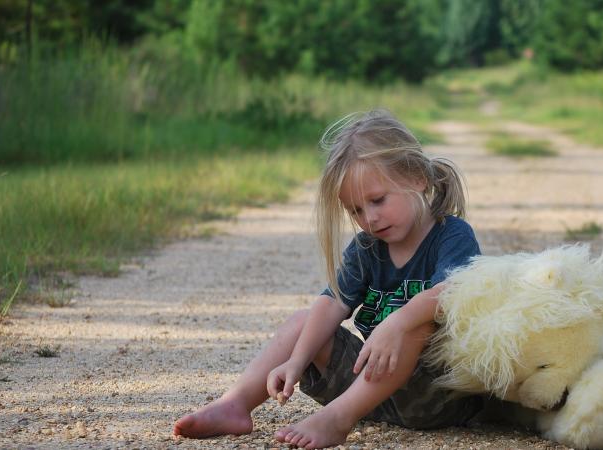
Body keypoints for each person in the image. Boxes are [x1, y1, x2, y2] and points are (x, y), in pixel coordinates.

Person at [173, 109, 484, 449]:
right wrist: (296, 358)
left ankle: (338, 419)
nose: (370, 218)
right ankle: (235, 404)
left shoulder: (451, 234)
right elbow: (333, 301)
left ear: (416, 178)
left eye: (378, 200)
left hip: (437, 396)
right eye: (356, 210)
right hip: (371, 390)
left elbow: (451, 292)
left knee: (418, 324)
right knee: (304, 322)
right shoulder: (368, 246)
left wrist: (397, 323)